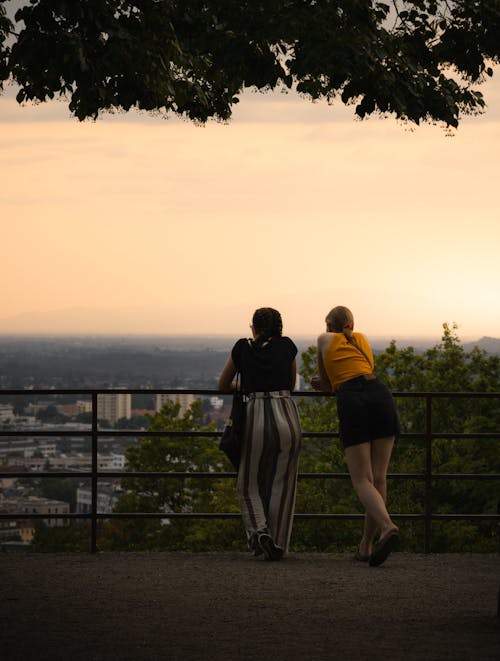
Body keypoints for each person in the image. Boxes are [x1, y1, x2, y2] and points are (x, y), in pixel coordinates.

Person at [311, 305, 400, 566]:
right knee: (379, 478)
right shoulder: (362, 339)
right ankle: (366, 545)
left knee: (362, 480)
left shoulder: (323, 339)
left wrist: (322, 385)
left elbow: (328, 383)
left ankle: (387, 527)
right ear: (352, 323)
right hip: (380, 395)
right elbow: (363, 368)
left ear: (329, 326)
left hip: (353, 400)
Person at [218, 307, 301, 560]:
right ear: (280, 327)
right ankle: (277, 543)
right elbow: (290, 383)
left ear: (253, 327)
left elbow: (223, 385)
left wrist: (248, 384)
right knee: (282, 484)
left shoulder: (243, 348)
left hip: (256, 415)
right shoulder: (288, 346)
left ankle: (259, 531)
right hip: (286, 414)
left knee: (247, 483)